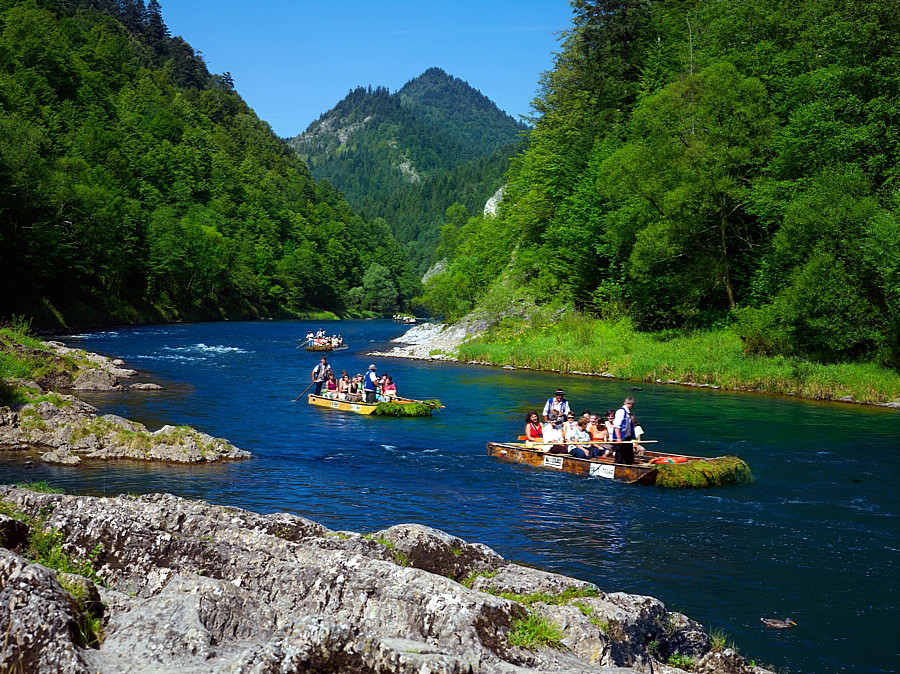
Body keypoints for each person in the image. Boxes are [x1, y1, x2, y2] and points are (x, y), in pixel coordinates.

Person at [612, 396, 636, 464]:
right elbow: (617, 426)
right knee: (619, 455)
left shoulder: (627, 413)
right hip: (621, 438)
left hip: (627, 438)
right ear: (631, 404)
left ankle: (630, 466)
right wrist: (619, 438)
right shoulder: (621, 412)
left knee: (629, 456)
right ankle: (617, 468)